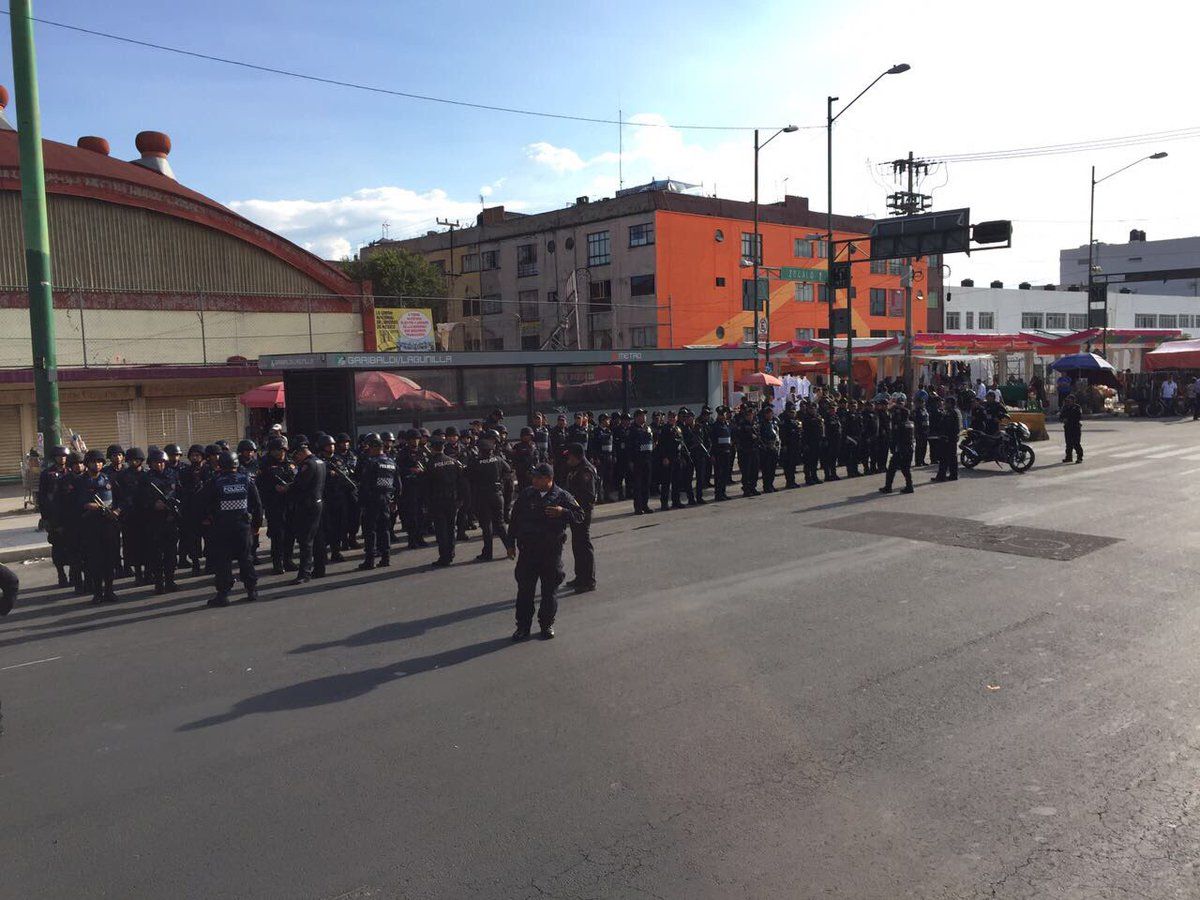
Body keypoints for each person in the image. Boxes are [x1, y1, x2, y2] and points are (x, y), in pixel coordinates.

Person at [509, 462, 584, 641]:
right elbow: (515, 520)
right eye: (533, 477)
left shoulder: (562, 496)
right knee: (525, 591)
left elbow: (580, 516)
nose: (534, 480)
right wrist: (510, 544)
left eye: (538, 477)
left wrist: (563, 512)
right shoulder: (527, 494)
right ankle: (523, 626)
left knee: (549, 591)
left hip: (550, 553)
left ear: (549, 479)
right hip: (528, 552)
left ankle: (546, 624)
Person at [203, 450, 262, 607]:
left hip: (222, 529)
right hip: (242, 528)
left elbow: (204, 505)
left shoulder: (215, 482)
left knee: (223, 562)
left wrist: (208, 520)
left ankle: (223, 595)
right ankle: (251, 590)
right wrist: (256, 526)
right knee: (246, 559)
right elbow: (257, 505)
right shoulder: (246, 480)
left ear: (220, 465)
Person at [77, 449, 121, 604]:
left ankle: (109, 590)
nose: (97, 464)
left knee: (110, 559)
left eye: (100, 461)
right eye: (93, 462)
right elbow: (78, 503)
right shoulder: (81, 481)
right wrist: (93, 506)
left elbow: (120, 498)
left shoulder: (108, 478)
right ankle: (97, 592)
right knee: (95, 560)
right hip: (91, 525)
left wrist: (116, 511)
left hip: (109, 524)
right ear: (87, 464)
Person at [139, 447, 181, 594]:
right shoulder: (145, 479)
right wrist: (152, 505)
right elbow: (139, 500)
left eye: (162, 462)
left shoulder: (173, 476)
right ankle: (158, 583)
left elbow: (180, 493)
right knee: (156, 554)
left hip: (170, 520)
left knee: (171, 553)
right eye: (156, 462)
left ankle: (170, 581)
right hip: (154, 521)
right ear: (151, 464)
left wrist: (175, 506)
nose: (160, 465)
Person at [468, 431, 513, 561]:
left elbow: (468, 476)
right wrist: (500, 482)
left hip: (483, 496)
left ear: (481, 450)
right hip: (497, 494)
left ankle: (488, 553)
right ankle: (510, 548)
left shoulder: (476, 462)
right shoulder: (498, 459)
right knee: (500, 524)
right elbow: (508, 470)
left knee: (487, 526)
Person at [356, 433, 398, 569]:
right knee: (384, 529)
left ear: (374, 448)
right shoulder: (391, 462)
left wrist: (361, 503)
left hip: (372, 501)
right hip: (386, 500)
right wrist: (395, 501)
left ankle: (370, 560)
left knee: (370, 531)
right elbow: (398, 484)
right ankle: (386, 558)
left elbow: (365, 485)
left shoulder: (371, 463)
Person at [425, 435, 465, 567]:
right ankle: (451, 553)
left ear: (432, 449)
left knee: (441, 530)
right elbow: (461, 481)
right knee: (451, 527)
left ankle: (444, 556)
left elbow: (427, 485)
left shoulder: (430, 464)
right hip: (452, 499)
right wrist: (460, 498)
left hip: (438, 500)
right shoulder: (453, 461)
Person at [563, 443, 597, 594]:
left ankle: (588, 580)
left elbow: (588, 495)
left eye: (569, 455)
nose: (567, 459)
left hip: (582, 512)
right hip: (575, 512)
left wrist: (574, 504)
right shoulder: (575, 468)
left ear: (576, 455)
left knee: (584, 545)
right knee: (577, 545)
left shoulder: (585, 470)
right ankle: (580, 577)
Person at [879, 406, 915, 494]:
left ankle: (888, 487)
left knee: (891, 469)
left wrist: (893, 448)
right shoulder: (911, 423)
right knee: (906, 469)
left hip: (901, 449)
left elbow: (896, 438)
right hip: (909, 449)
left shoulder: (900, 425)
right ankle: (909, 486)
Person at [628, 408, 655, 514]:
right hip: (637, 460)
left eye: (644, 415)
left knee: (646, 484)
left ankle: (645, 505)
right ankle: (638, 507)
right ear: (637, 417)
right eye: (642, 415)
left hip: (647, 459)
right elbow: (630, 446)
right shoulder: (632, 429)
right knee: (638, 485)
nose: (644, 417)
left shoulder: (648, 428)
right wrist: (631, 460)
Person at [933, 396, 962, 482]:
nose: (944, 404)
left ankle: (942, 476)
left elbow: (949, 427)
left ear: (950, 404)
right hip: (950, 438)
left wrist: (946, 436)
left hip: (948, 438)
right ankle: (952, 475)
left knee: (944, 457)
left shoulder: (952, 413)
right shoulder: (952, 412)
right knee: (951, 457)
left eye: (946, 402)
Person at [1060, 393, 1084, 463]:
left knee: (1076, 443)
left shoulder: (1077, 407)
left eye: (1070, 400)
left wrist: (1069, 418)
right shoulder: (1065, 407)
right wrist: (1063, 419)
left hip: (1075, 427)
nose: (1069, 401)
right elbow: (1061, 416)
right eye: (1068, 400)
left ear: (1074, 401)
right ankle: (1068, 457)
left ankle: (1079, 457)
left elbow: (1079, 416)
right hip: (1067, 427)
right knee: (1068, 443)